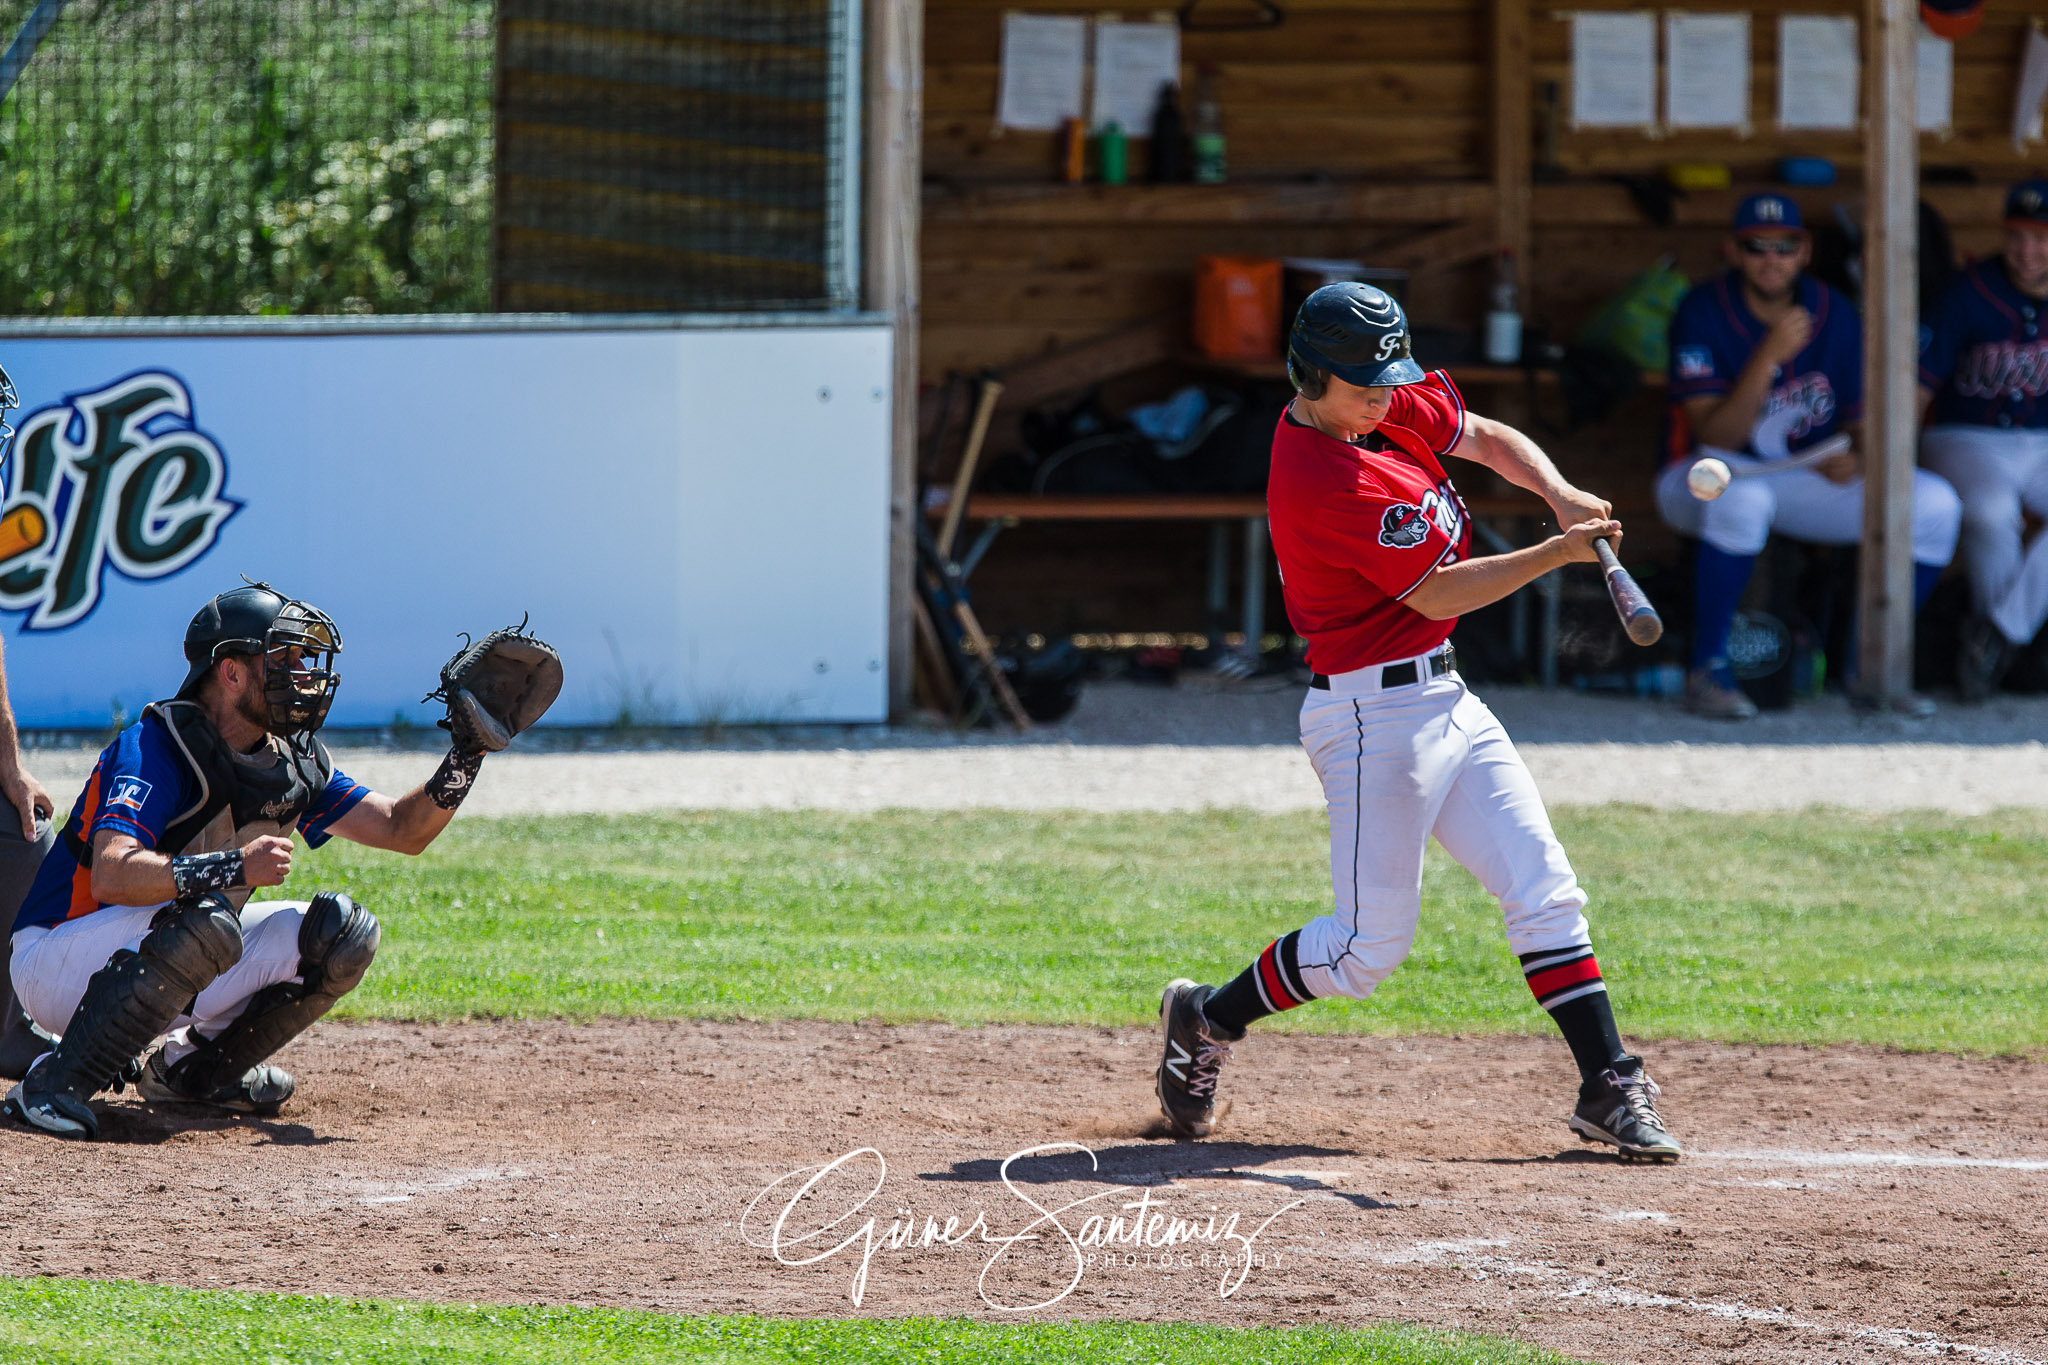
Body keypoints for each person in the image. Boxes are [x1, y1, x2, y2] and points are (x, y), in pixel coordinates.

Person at [1152, 283, 1680, 1162]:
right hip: (1369, 717)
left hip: (1447, 698)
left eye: (1386, 377)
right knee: (1365, 950)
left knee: (1544, 886)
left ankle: (1608, 1082)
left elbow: (1480, 435)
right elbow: (1438, 589)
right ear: (1307, 375)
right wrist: (1556, 553)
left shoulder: (1382, 401)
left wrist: (1554, 491)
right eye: (1360, 383)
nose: (1381, 396)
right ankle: (1208, 1015)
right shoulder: (1322, 476)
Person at [1, 583, 546, 1140]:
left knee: (342, 936)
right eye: (282, 658)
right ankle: (49, 1087)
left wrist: (467, 753)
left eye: (303, 658)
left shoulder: (289, 758)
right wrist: (234, 866)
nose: (303, 673)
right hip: (55, 957)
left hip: (169, 947)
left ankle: (193, 1071)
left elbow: (401, 829)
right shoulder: (157, 744)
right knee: (207, 921)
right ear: (231, 672)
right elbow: (114, 871)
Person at [1656, 193, 1961, 719]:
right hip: (1706, 473)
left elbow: (1862, 424)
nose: (1771, 259)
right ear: (1733, 251)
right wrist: (1769, 354)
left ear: (1804, 251)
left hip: (1803, 473)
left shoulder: (1832, 311)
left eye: (1784, 246)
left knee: (1936, 506)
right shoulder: (1703, 309)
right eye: (1757, 247)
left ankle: (1875, 669)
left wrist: (1862, 459)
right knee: (1742, 501)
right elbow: (1717, 435)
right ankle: (1707, 671)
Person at [1918, 179, 2048, 700]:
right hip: (1965, 435)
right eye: (2017, 236)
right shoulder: (1967, 291)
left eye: (2041, 238)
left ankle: (1999, 638)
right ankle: (2014, 658)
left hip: (2041, 441)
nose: (2027, 250)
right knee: (1992, 512)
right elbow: (1915, 387)